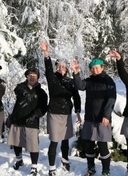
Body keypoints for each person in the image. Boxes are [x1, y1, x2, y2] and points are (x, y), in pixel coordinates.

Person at [40, 41, 82, 176]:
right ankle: (51, 167)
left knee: (65, 139)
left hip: (66, 114)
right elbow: (47, 69)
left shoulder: (70, 82)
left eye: (64, 66)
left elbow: (76, 97)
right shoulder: (53, 79)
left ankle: (65, 160)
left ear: (67, 69)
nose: (61, 68)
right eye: (59, 66)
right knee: (54, 140)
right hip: (54, 112)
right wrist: (46, 54)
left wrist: (78, 111)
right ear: (57, 67)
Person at [71, 58, 116, 176]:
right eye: (92, 68)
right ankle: (91, 168)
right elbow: (79, 86)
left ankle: (106, 170)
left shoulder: (108, 81)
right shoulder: (89, 81)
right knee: (89, 145)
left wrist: (106, 115)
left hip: (102, 119)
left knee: (102, 146)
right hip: (90, 118)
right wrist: (76, 73)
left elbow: (111, 99)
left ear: (102, 68)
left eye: (97, 68)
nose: (95, 70)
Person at [7, 68, 48, 176]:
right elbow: (17, 90)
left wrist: (35, 115)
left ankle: (34, 167)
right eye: (30, 75)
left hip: (32, 122)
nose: (32, 78)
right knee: (16, 142)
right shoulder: (21, 87)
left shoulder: (42, 92)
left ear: (38, 78)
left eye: (34, 76)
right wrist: (25, 93)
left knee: (33, 145)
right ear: (27, 77)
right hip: (18, 119)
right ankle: (19, 160)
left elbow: (43, 109)